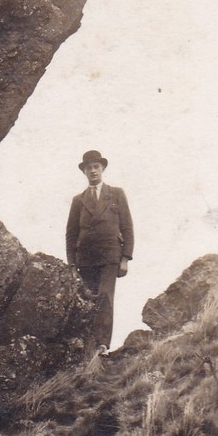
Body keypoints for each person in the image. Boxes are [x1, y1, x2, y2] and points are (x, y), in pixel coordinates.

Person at [66, 150, 134, 353]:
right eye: (89, 168)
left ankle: (102, 344)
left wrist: (126, 258)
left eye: (96, 166)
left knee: (105, 297)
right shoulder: (78, 200)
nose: (93, 171)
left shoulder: (116, 193)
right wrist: (71, 265)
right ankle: (87, 347)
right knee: (87, 299)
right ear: (84, 172)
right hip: (85, 258)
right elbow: (71, 234)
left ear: (102, 168)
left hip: (110, 255)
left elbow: (127, 227)